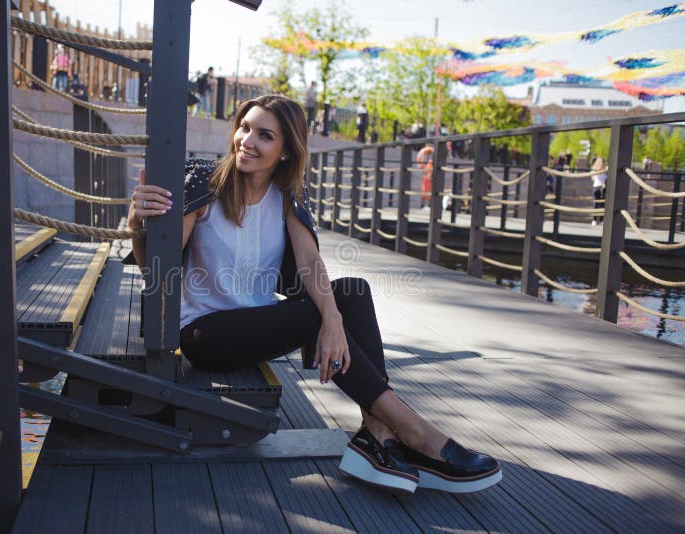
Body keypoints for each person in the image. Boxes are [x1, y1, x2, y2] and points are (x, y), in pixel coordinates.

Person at [126, 94, 501, 495]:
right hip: (202, 334)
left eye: (265, 135)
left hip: (257, 328)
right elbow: (158, 275)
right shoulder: (204, 183)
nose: (246, 140)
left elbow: (310, 262)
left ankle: (376, 429)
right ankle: (414, 432)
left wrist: (336, 320)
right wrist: (137, 226)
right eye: (244, 127)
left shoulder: (286, 196)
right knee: (312, 316)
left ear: (286, 152)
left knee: (352, 292)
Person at [416, 144, 434, 209]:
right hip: (427, 177)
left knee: (430, 191)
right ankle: (423, 205)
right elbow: (419, 157)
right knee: (424, 191)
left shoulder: (432, 159)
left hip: (432, 177)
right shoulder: (427, 160)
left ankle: (429, 205)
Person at [591, 156, 607, 225]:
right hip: (597, 187)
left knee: (601, 204)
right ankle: (595, 220)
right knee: (597, 204)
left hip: (602, 188)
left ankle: (600, 220)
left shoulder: (605, 170)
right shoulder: (595, 169)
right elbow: (593, 178)